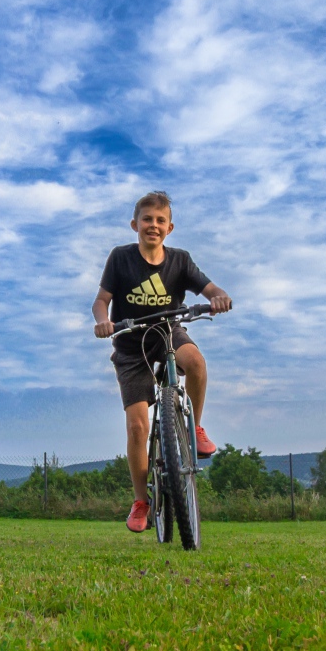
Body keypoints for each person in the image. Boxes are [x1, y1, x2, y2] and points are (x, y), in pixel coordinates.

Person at [91, 190, 231, 533]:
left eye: (160, 221)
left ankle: (194, 428)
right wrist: (102, 321)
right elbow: (101, 300)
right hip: (129, 342)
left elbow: (208, 287)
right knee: (137, 425)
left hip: (167, 332)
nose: (153, 225)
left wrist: (219, 297)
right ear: (135, 224)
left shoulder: (180, 260)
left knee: (195, 362)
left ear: (169, 228)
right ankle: (141, 501)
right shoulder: (120, 258)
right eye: (147, 219)